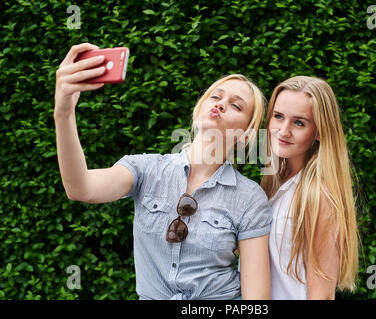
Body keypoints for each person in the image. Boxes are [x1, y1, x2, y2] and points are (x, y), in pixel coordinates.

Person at [54, 43, 272, 300]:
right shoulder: (146, 169)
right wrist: (64, 112)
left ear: (246, 136)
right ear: (200, 107)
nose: (221, 104)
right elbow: (81, 188)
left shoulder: (249, 197)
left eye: (236, 106)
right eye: (216, 96)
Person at [260, 76, 361, 299]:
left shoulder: (318, 196)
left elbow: (322, 295)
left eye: (299, 123)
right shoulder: (275, 185)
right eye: (278, 117)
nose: (283, 130)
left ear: (318, 132)